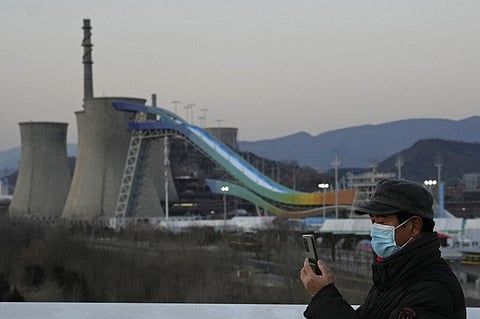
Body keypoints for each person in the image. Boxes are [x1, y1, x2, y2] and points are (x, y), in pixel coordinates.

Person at [300, 178, 466, 319]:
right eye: (373, 222)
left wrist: (325, 296)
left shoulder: (432, 291)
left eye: (382, 222)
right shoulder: (393, 276)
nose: (374, 231)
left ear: (414, 226)